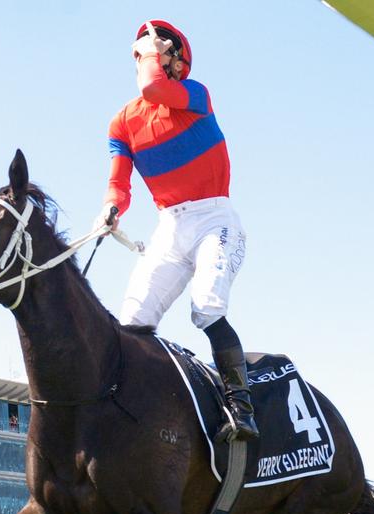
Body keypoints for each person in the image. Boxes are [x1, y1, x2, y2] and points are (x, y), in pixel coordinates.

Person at [96, 19, 258, 442]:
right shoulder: (122, 122)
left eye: (154, 49)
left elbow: (153, 89)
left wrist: (151, 51)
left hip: (215, 219)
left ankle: (241, 405)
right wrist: (111, 208)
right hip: (170, 224)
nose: (145, 57)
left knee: (206, 306)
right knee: (131, 322)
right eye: (142, 51)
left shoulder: (196, 94)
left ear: (174, 58)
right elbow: (119, 182)